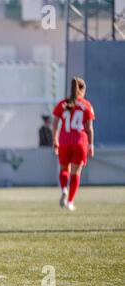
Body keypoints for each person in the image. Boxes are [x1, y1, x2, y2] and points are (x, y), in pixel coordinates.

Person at [52, 77, 95, 211]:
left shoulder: (62, 104)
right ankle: (70, 202)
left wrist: (55, 140)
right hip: (80, 141)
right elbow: (89, 128)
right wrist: (91, 145)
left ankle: (64, 189)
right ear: (82, 90)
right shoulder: (86, 105)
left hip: (64, 141)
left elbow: (54, 124)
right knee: (75, 173)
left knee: (64, 170)